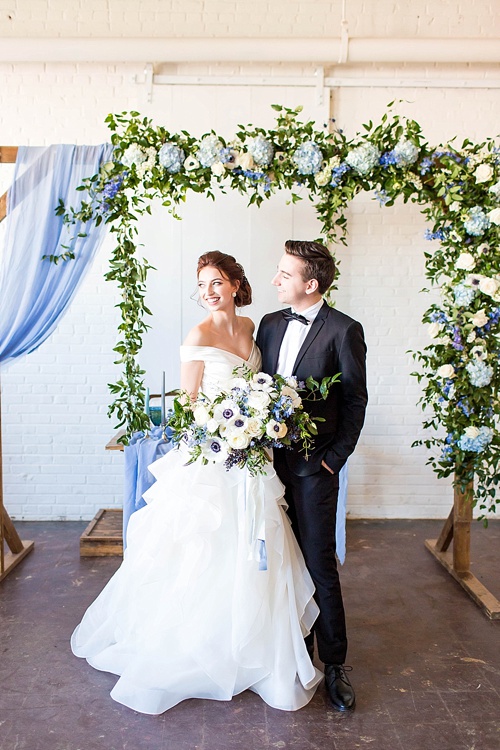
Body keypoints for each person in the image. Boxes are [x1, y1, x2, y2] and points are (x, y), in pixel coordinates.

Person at [71, 251, 323, 715]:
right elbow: (188, 405)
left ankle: (254, 646)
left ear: (234, 284)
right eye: (202, 285)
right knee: (204, 548)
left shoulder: (251, 329)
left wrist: (257, 423)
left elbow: (261, 386)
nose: (208, 292)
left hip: (252, 457)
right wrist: (227, 431)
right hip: (212, 457)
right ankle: (198, 647)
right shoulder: (198, 334)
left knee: (256, 548)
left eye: (216, 282)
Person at [256, 240, 368, 712]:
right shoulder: (268, 324)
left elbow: (355, 401)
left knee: (319, 563)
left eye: (284, 273)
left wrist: (332, 459)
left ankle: (336, 663)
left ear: (311, 284)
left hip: (313, 466)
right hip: (264, 466)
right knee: (278, 561)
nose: (276, 280)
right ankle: (293, 652)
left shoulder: (344, 330)